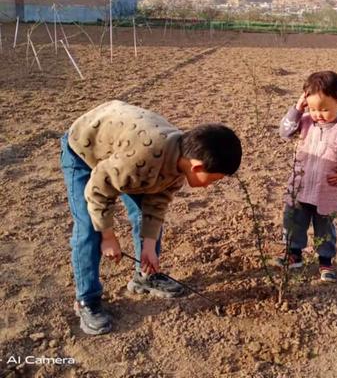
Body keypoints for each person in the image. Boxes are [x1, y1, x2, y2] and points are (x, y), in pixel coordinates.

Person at [60, 100, 242, 335]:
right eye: (214, 180)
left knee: (142, 214)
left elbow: (156, 204)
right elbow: (98, 190)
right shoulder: (141, 159)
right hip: (84, 150)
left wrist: (148, 247)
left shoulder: (179, 162)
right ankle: (88, 299)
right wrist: (107, 235)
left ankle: (145, 276)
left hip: (121, 155)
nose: (210, 187)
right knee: (88, 229)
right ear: (197, 167)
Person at [277, 71, 337, 282]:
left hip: (327, 190)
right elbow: (284, 132)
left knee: (325, 227)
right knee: (294, 221)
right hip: (300, 185)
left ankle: (326, 262)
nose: (318, 114)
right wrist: (298, 109)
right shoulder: (305, 120)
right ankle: (294, 255)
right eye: (313, 108)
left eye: (325, 109)